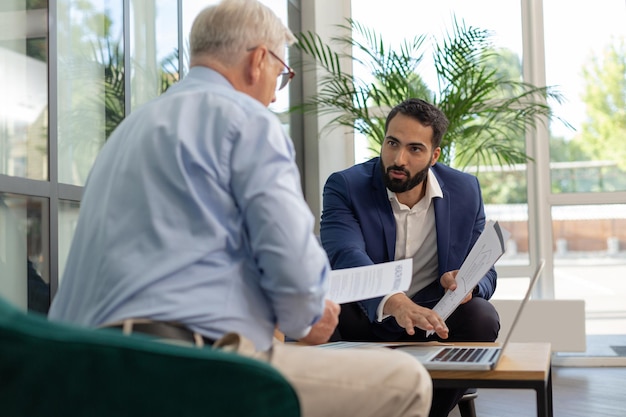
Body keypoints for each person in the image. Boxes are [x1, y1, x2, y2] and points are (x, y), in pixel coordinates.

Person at [48, 1, 433, 416]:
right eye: (281, 76)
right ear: (258, 60)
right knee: (406, 381)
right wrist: (306, 314)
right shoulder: (246, 120)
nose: (272, 95)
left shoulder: (131, 128)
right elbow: (296, 278)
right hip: (177, 365)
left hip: (76, 367)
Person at [320, 98, 501, 416]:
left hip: (431, 316)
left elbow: (486, 270)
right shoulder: (346, 186)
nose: (398, 158)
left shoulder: (465, 190)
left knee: (481, 316)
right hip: (364, 313)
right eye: (392, 143)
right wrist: (393, 300)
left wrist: (468, 283)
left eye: (414, 149)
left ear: (434, 155)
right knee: (320, 315)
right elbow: (345, 254)